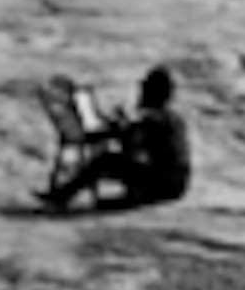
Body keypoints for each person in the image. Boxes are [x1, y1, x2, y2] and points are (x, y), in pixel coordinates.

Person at [43, 66, 192, 213]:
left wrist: (116, 129)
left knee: (105, 161)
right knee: (110, 162)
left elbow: (131, 144)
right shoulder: (168, 118)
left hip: (163, 185)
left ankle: (61, 196)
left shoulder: (155, 119)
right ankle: (63, 195)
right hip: (174, 184)